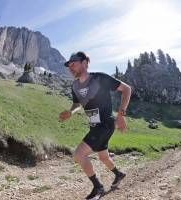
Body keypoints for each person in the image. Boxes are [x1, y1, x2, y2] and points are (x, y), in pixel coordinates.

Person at [59, 51, 131, 200]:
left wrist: (120, 115)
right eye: (69, 65)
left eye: (73, 64)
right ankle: (119, 174)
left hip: (105, 124)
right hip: (94, 126)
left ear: (84, 63)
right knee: (104, 157)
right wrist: (70, 113)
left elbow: (127, 89)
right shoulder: (75, 86)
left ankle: (98, 188)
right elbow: (76, 104)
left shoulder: (100, 78)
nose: (70, 68)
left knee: (79, 154)